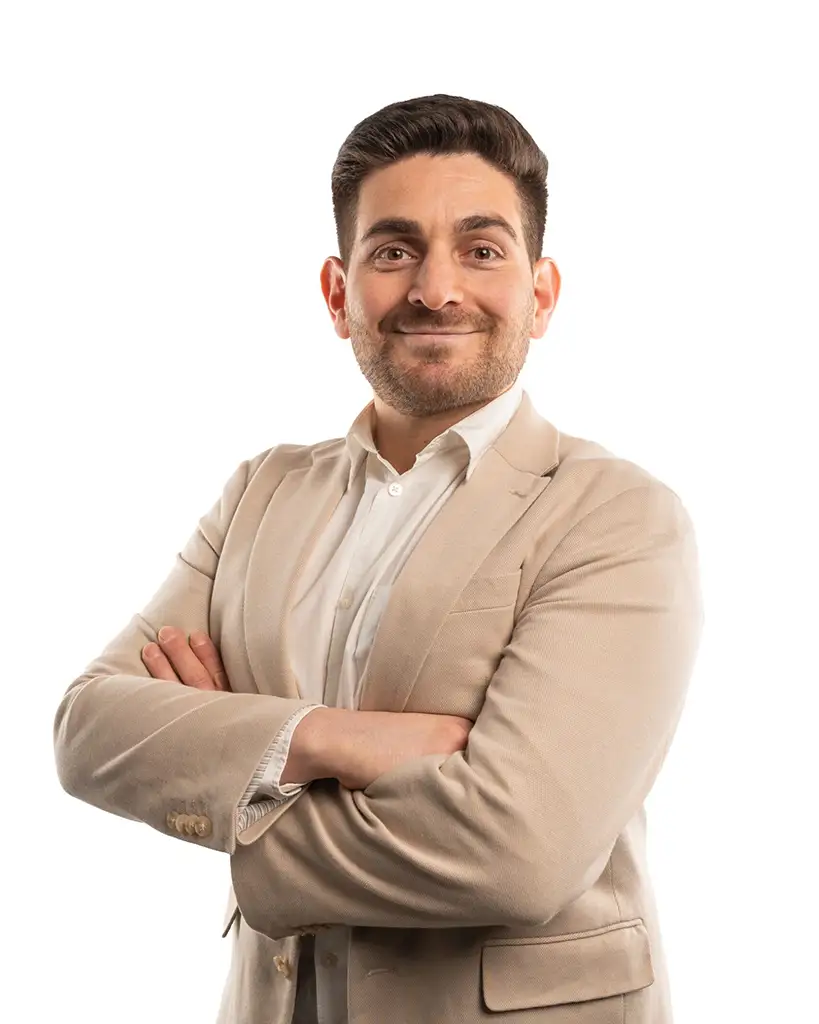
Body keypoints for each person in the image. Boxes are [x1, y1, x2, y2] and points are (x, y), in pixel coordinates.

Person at [54, 93, 703, 1024]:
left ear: (541, 294)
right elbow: (88, 730)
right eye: (394, 251)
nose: (436, 289)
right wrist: (322, 737)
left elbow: (519, 854)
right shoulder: (261, 491)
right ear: (337, 293)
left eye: (481, 250)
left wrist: (236, 778)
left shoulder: (617, 515)